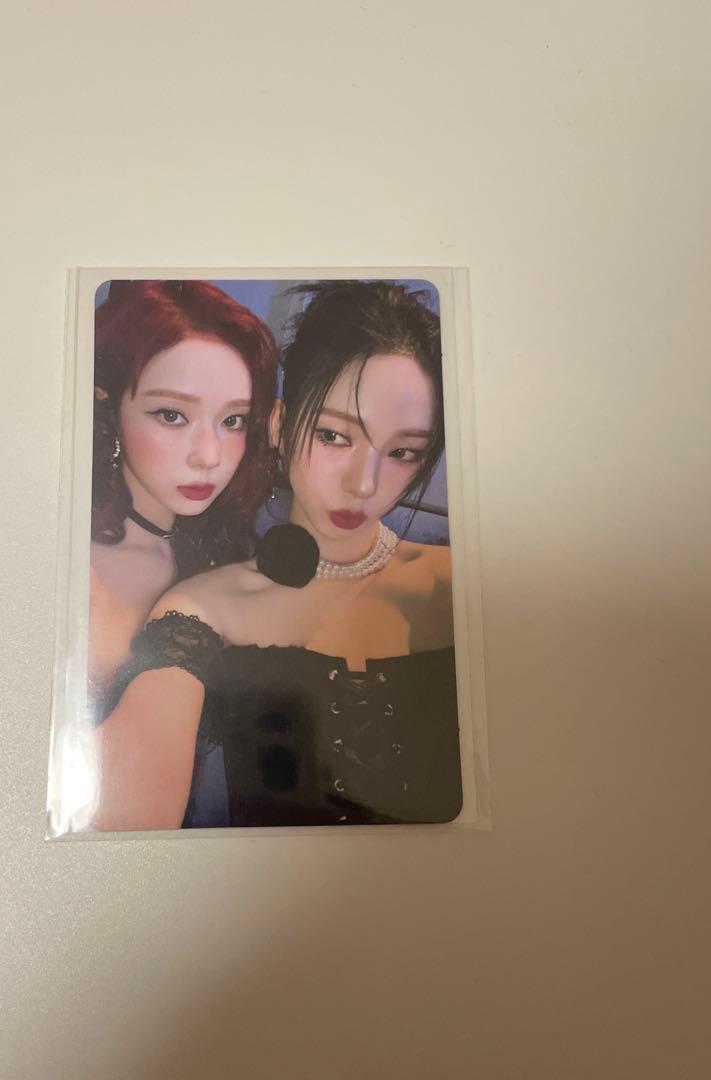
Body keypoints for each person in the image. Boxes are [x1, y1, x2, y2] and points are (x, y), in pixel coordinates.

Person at [95, 281, 461, 830]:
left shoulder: (463, 587)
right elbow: (129, 814)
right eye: (335, 436)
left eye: (403, 452)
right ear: (281, 426)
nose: (364, 484)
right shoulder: (202, 607)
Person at [88, 281, 277, 698]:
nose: (209, 456)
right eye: (172, 415)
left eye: (233, 421)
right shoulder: (77, 571)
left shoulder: (217, 544)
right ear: (107, 406)